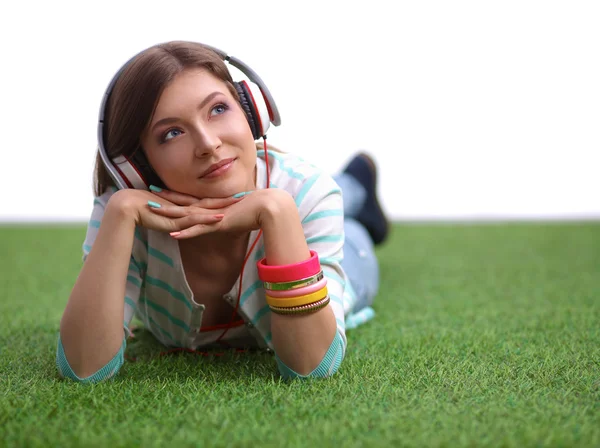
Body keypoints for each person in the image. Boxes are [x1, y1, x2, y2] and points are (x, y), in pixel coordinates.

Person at [56, 41, 390, 383]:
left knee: (349, 227)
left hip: (343, 251)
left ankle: (355, 186)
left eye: (217, 109)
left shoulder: (306, 195)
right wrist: (120, 214)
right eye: (171, 133)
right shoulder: (123, 212)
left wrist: (278, 213)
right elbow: (84, 368)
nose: (208, 144)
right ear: (137, 167)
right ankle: (352, 184)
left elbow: (312, 366)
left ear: (250, 111)